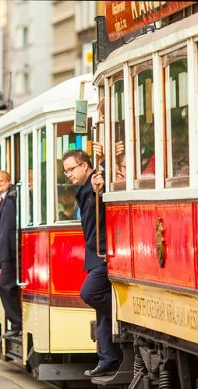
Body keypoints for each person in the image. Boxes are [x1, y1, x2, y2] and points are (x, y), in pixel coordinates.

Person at [62, 150, 121, 377]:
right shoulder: (84, 189)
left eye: (71, 168)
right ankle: (108, 358)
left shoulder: (97, 181)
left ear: (85, 165)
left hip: (104, 253)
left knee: (90, 293)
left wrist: (104, 165)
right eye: (66, 171)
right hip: (95, 254)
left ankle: (122, 318)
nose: (68, 174)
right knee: (101, 311)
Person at [0, 170, 22, 338]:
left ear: (9, 181)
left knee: (4, 286)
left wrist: (5, 254)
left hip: (9, 254)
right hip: (8, 254)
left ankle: (16, 324)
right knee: (6, 286)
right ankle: (15, 323)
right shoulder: (6, 198)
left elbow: (8, 230)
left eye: (0, 181)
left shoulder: (10, 199)